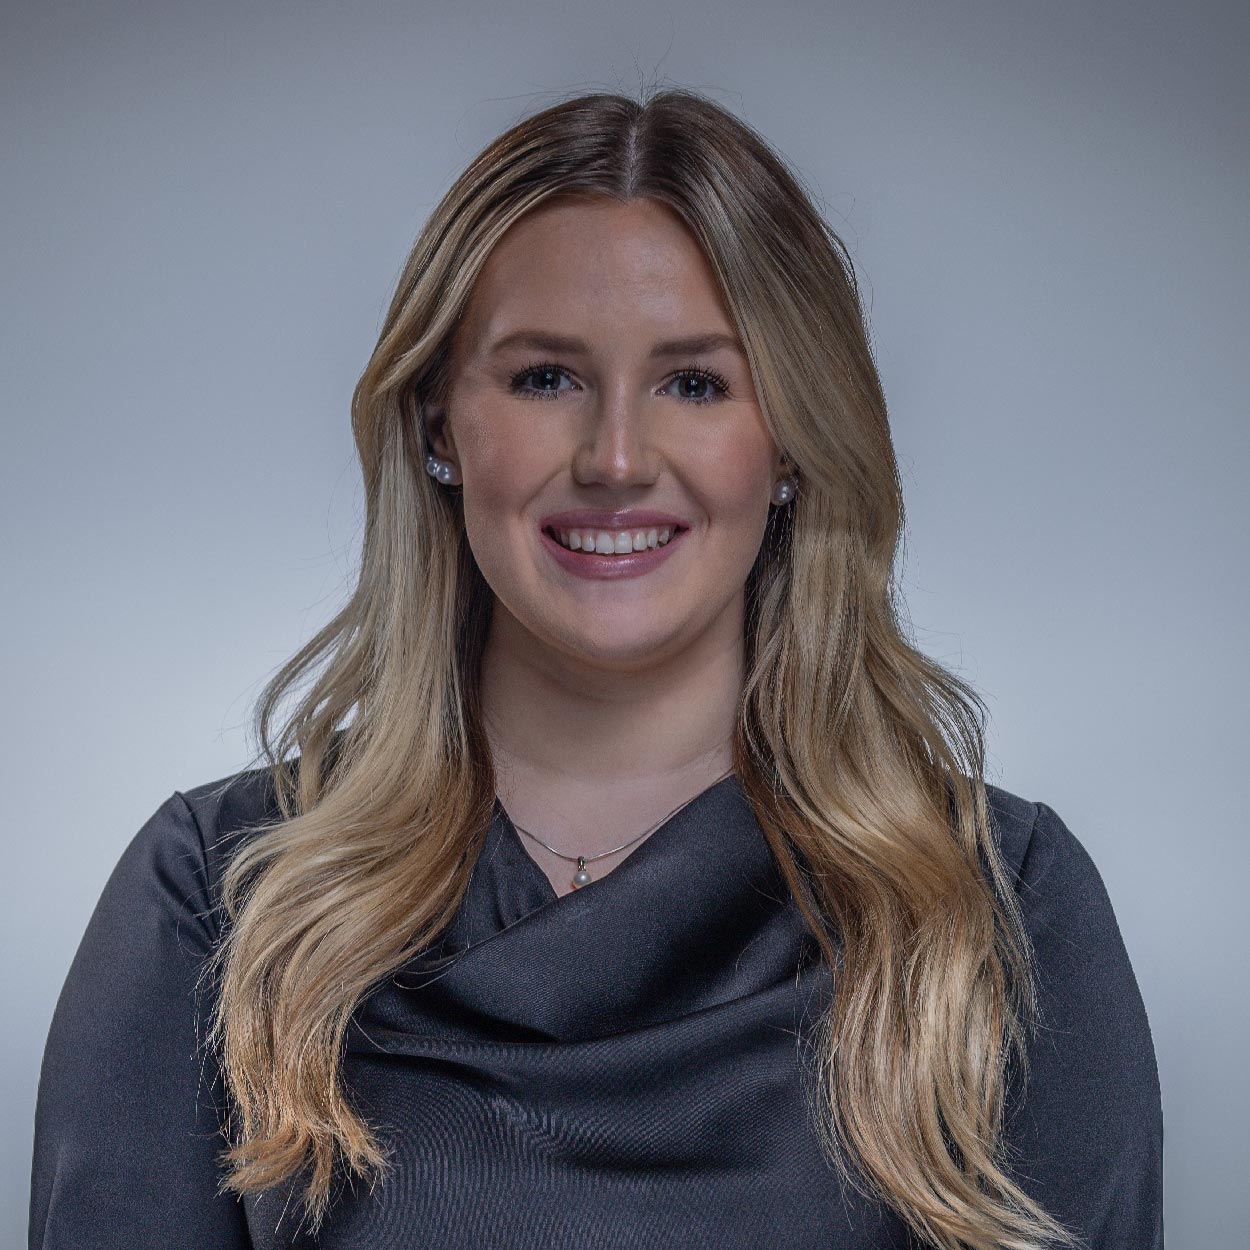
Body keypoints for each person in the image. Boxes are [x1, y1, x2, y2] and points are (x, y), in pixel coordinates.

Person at [28, 88, 1163, 1250]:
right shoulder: (220, 895)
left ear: (789, 441)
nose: (616, 457)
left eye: (694, 383)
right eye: (543, 377)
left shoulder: (992, 906)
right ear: (435, 423)